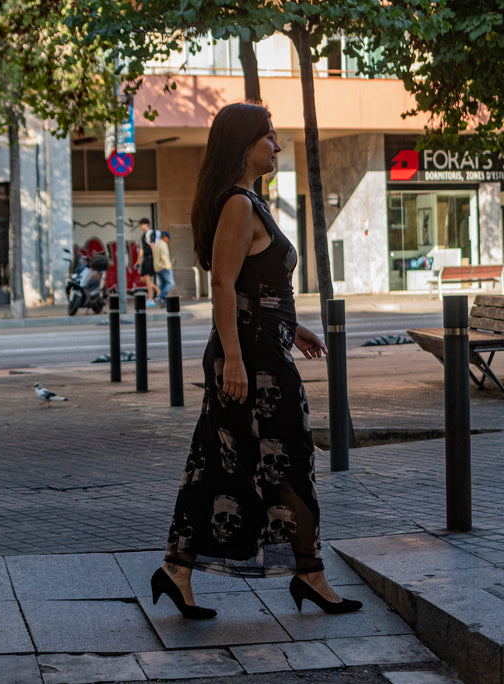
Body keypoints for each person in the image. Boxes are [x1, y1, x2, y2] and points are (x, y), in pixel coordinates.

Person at [151, 102, 362, 620]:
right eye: (267, 137)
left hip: (261, 349)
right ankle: (310, 573)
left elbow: (258, 288)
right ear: (244, 145)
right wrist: (235, 360)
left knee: (214, 466)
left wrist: (296, 329)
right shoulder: (238, 206)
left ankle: (178, 571)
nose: (275, 144)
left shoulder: (251, 202)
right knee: (291, 458)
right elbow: (223, 284)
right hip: (251, 361)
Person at [135, 218, 160, 306]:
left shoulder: (150, 233)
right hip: (145, 258)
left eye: (142, 224)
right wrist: (138, 261)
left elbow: (152, 246)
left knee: (147, 278)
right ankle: (158, 291)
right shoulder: (144, 234)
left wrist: (155, 258)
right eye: (141, 224)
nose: (141, 226)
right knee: (143, 279)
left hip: (150, 258)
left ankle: (150, 299)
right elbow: (142, 248)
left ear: (147, 224)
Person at [153, 231, 175, 305]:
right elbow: (164, 257)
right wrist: (169, 266)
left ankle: (163, 302)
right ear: (164, 237)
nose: (168, 239)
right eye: (168, 238)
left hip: (158, 268)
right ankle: (161, 297)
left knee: (163, 284)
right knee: (171, 283)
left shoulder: (157, 244)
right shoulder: (163, 245)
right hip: (164, 267)